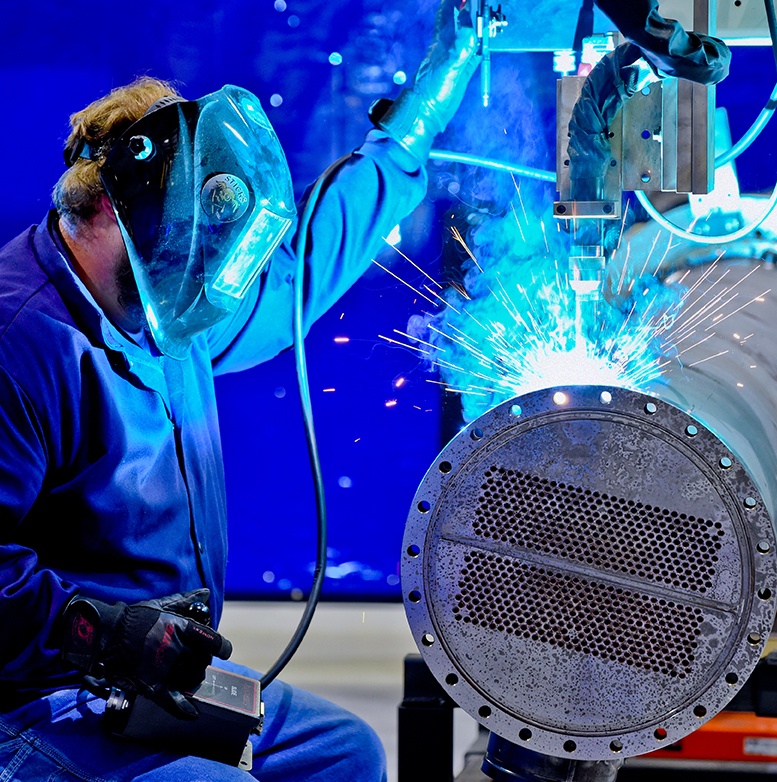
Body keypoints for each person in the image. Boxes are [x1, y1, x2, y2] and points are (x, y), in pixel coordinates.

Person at [0, 2, 479, 780]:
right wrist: (105, 632)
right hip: (40, 698)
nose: (207, 289)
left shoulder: (172, 302)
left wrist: (413, 128)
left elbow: (302, 270)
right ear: (110, 208)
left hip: (145, 685)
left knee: (344, 754)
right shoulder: (20, 344)